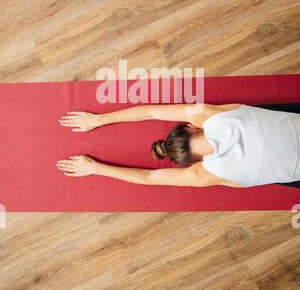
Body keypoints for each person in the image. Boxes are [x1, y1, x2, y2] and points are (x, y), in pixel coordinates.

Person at [56, 102, 300, 189]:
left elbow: (148, 178)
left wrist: (96, 168)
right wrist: (99, 119)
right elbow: (151, 112)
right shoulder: (209, 116)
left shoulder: (205, 174)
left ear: (194, 161)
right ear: (191, 126)